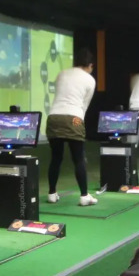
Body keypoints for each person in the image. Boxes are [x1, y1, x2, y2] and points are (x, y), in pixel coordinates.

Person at [45, 48, 97, 205]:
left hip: (54, 117)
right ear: (90, 65)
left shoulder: (62, 74)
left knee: (56, 158)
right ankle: (84, 196)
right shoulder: (90, 79)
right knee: (79, 158)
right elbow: (84, 106)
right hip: (74, 117)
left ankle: (52, 194)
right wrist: (78, 123)